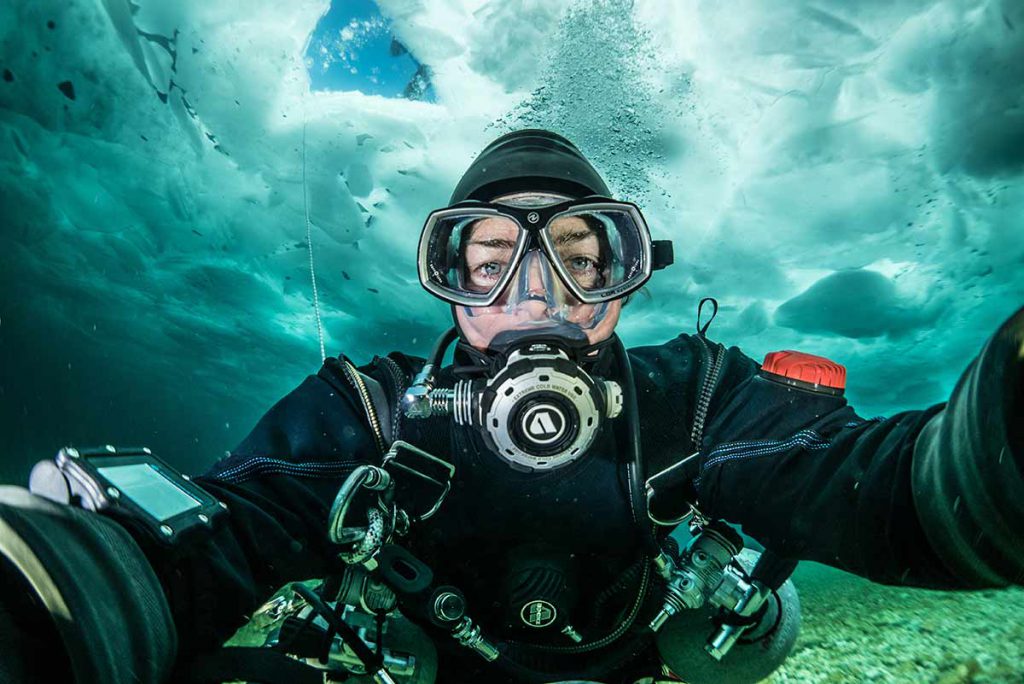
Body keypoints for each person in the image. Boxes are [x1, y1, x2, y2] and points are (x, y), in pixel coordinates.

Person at [0, 129, 1022, 684]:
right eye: (489, 260)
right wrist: (65, 586)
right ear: (446, 281)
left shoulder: (698, 396)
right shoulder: (370, 409)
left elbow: (896, 489)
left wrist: (995, 458)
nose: (534, 291)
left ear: (625, 279)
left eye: (581, 258)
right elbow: (221, 533)